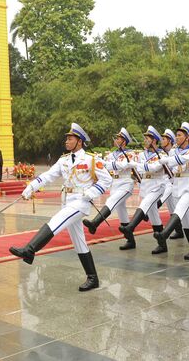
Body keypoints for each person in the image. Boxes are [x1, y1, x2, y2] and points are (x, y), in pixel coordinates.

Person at [9, 123, 112, 291]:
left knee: (56, 220)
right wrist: (30, 187)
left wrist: (92, 193)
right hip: (67, 200)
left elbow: (107, 180)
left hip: (81, 201)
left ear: (79, 141)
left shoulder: (91, 159)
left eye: (70, 138)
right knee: (79, 242)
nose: (67, 141)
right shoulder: (63, 160)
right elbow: (48, 176)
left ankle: (30, 249)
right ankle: (93, 278)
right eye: (67, 138)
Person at [153, 122, 189, 260]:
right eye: (176, 135)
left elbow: (188, 159)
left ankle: (165, 233)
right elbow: (174, 168)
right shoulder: (173, 151)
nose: (176, 137)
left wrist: (169, 161)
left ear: (187, 137)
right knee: (185, 219)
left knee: (181, 208)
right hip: (178, 185)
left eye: (179, 135)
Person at [118, 126, 169, 255]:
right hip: (146, 185)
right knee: (153, 215)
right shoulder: (141, 154)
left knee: (144, 205)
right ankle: (162, 244)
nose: (145, 140)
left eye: (147, 138)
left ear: (154, 141)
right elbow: (140, 170)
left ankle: (130, 227)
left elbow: (154, 168)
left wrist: (138, 166)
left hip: (158, 185)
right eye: (145, 138)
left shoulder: (162, 155)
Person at [84, 127, 137, 250]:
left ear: (124, 141)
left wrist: (114, 164)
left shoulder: (131, 153)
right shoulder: (112, 154)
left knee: (111, 201)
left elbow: (125, 165)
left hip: (125, 183)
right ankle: (130, 240)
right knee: (122, 212)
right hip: (115, 183)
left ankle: (95, 223)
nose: (116, 139)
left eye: (118, 138)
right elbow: (106, 165)